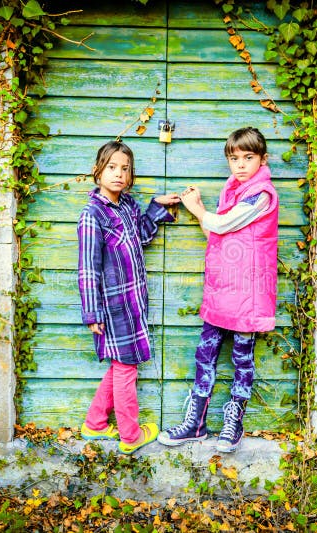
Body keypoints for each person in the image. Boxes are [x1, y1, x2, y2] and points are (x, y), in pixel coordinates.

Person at [158, 127, 279, 453]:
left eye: (248, 157)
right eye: (234, 158)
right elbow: (215, 232)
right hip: (224, 288)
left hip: (248, 292)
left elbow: (221, 223)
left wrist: (197, 209)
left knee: (242, 357)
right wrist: (200, 208)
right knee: (205, 353)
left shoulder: (261, 194)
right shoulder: (233, 191)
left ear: (263, 159)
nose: (240, 165)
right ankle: (196, 423)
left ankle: (233, 421)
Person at [77, 140, 180, 454]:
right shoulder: (92, 215)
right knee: (127, 368)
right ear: (97, 171)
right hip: (112, 307)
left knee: (121, 364)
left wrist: (156, 207)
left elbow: (142, 236)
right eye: (112, 167)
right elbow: (88, 268)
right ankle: (131, 435)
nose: (118, 174)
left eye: (125, 169)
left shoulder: (128, 206)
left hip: (133, 302)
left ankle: (95, 423)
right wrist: (92, 313)